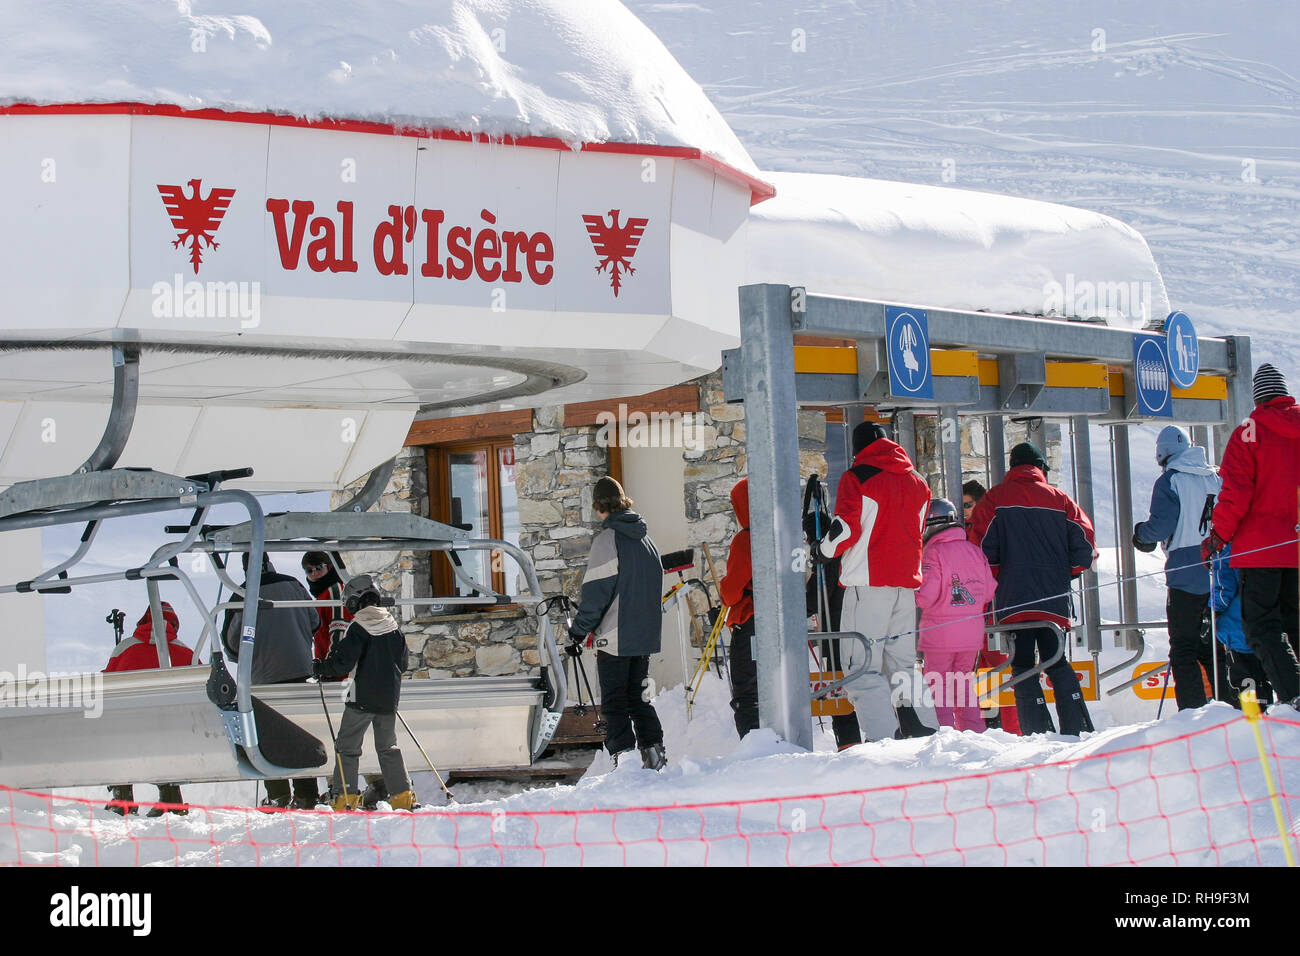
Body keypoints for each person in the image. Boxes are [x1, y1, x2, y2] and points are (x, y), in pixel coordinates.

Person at [968, 442, 1097, 735]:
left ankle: (1035, 731)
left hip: (1013, 600)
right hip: (1054, 599)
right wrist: (1065, 574)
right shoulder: (1062, 500)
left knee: (1023, 665)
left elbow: (981, 551)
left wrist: (997, 579)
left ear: (1012, 467)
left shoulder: (995, 499)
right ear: (1041, 468)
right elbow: (1085, 550)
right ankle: (1077, 729)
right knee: (1057, 661)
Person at [820, 421, 933, 742]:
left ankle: (884, 740)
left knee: (862, 666)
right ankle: (926, 731)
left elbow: (845, 528)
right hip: (906, 585)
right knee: (904, 664)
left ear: (857, 449)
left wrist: (822, 550)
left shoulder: (857, 477)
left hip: (867, 585)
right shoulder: (918, 482)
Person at [1203, 363, 1300, 706]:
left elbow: (1236, 493)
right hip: (1296, 546)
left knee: (1262, 627)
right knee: (1295, 620)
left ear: (1258, 398)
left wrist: (1217, 538)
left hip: (1262, 549)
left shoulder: (1249, 431)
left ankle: (1294, 695)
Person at [568, 476, 667, 769]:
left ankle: (624, 764)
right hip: (644, 636)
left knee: (614, 702)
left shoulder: (607, 541)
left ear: (600, 507)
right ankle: (655, 757)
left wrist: (577, 631)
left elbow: (596, 595)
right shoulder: (646, 541)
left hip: (615, 636)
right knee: (639, 699)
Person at [223, 552, 321, 809]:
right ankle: (307, 793)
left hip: (263, 678)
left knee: (267, 736)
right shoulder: (294, 585)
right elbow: (314, 621)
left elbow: (231, 642)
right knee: (302, 733)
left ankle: (277, 793)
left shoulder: (242, 593)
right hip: (301, 671)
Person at [1133, 426, 1221, 711]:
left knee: (1184, 647)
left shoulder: (1170, 480)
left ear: (1162, 453)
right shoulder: (1215, 476)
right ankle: (1226, 705)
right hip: (1220, 569)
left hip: (1185, 573)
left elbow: (1161, 526)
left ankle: (1192, 710)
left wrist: (1141, 535)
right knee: (1216, 646)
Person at [314, 575, 416, 811]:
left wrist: (320, 668)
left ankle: (344, 798)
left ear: (354, 601)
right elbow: (404, 664)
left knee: (347, 747)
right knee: (388, 747)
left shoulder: (358, 627)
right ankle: (402, 796)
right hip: (389, 699)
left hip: (359, 697)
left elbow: (342, 663)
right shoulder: (394, 628)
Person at [302, 551, 385, 807]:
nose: (314, 573)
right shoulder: (325, 594)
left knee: (343, 735)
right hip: (343, 674)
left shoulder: (335, 593)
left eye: (318, 567)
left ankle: (344, 789)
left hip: (342, 677)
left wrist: (329, 669)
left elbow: (339, 633)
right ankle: (377, 785)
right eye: (308, 570)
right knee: (351, 733)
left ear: (330, 567)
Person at [103, 602, 193, 816]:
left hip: (130, 732)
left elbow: (106, 685)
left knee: (118, 733)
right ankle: (171, 798)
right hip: (173, 735)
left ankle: (122, 798)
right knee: (168, 735)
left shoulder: (125, 648)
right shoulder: (186, 652)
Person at [917, 499, 997, 732]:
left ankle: (942, 733)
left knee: (938, 684)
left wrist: (911, 592)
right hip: (971, 631)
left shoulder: (933, 552)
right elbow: (989, 590)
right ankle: (974, 732)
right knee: (962, 684)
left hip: (940, 632)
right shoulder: (974, 550)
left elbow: (926, 596)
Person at [1210, 544, 1273, 708]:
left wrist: (1210, 611)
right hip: (1267, 628)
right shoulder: (1269, 545)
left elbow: (1223, 591)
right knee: (1265, 680)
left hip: (1238, 630)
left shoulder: (1227, 550)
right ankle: (1266, 713)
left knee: (1243, 680)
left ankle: (1250, 719)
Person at [719, 478, 758, 738]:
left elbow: (731, 592)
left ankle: (753, 741)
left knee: (746, 686)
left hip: (749, 619)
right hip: (780, 621)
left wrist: (724, 591)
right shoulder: (784, 535)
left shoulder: (745, 540)